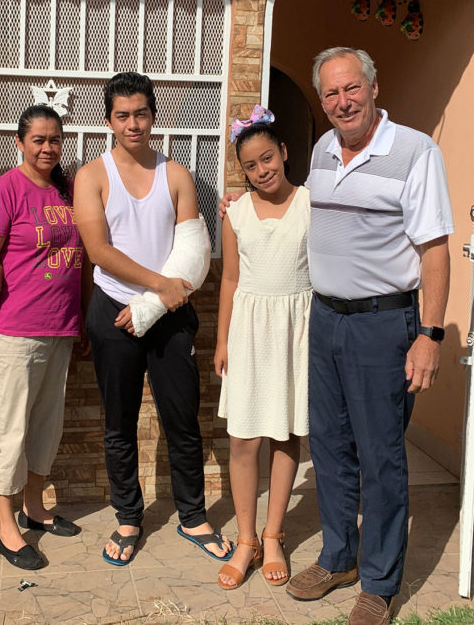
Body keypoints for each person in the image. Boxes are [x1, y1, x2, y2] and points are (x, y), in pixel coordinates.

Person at [285, 48, 452, 625]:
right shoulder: (322, 150)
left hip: (384, 325)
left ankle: (379, 583)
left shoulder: (413, 152)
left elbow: (434, 250)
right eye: (330, 94)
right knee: (329, 448)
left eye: (351, 89)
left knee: (381, 458)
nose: (342, 102)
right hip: (326, 318)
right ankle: (338, 557)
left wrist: (429, 333)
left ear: (374, 87)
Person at [73, 71, 231, 567]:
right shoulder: (92, 176)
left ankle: (192, 515)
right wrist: (156, 285)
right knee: (118, 422)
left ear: (153, 116)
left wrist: (162, 296)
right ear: (109, 121)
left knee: (182, 419)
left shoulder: (177, 175)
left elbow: (193, 251)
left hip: (171, 316)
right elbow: (98, 251)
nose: (133, 123)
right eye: (123, 115)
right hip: (112, 309)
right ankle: (128, 517)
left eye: (141, 113)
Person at [0, 104, 88, 571]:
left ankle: (34, 507)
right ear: (19, 142)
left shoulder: (68, 190)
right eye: (38, 139)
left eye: (55, 139)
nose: (47, 147)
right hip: (16, 330)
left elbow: (83, 258)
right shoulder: (5, 191)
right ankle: (7, 527)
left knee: (46, 426)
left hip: (60, 328)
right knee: (12, 428)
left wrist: (78, 321)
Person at [214, 106, 310, 591]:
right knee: (243, 439)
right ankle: (246, 539)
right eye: (250, 165)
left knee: (286, 434)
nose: (262, 170)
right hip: (249, 330)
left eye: (267, 158)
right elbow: (230, 278)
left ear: (284, 152)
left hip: (296, 329)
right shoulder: (236, 212)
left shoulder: (313, 204)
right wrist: (222, 340)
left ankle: (274, 535)